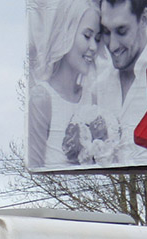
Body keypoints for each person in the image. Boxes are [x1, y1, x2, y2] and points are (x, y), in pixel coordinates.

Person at [28, 0, 103, 168]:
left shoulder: (92, 99)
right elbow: (34, 172)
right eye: (87, 36)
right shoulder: (41, 98)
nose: (93, 47)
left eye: (97, 39)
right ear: (65, 33)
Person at [94, 0, 147, 150]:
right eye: (106, 32)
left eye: (122, 31)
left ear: (144, 19)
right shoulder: (98, 86)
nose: (112, 46)